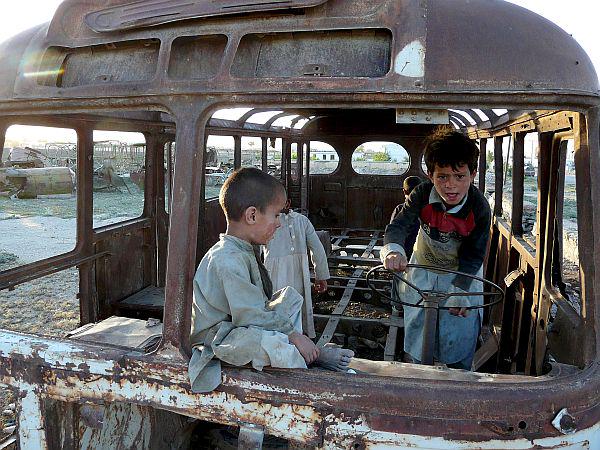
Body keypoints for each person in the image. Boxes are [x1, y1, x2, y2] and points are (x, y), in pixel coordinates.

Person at [189, 167, 353, 392]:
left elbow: (256, 308)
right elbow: (250, 316)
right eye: (276, 215)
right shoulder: (227, 259)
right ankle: (310, 362)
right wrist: (293, 335)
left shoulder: (244, 249)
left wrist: (290, 333)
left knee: (290, 297)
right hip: (220, 339)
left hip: (240, 324)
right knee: (265, 343)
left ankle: (301, 350)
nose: (279, 223)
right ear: (252, 215)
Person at [381, 128, 491, 370]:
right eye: (442, 177)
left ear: (473, 174)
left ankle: (458, 373)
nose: (451, 186)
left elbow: (474, 254)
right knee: (418, 332)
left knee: (459, 333)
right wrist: (393, 250)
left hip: (462, 272)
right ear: (430, 175)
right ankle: (417, 370)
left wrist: (460, 288)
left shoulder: (479, 208)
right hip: (424, 268)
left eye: (459, 176)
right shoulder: (420, 195)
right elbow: (399, 225)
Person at [263, 199, 330, 338]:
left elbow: (255, 251)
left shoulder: (265, 221)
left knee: (276, 305)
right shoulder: (302, 221)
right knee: (297, 305)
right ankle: (297, 335)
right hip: (298, 273)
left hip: (274, 273)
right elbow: (317, 249)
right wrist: (321, 276)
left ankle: (279, 336)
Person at [389, 175, 423, 260]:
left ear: (404, 191)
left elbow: (393, 231)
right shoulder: (428, 209)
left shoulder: (400, 209)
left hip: (403, 254)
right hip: (423, 254)